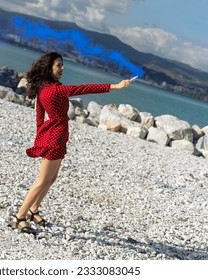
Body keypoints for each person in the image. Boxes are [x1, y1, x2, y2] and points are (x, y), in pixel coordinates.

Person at [9, 52, 132, 235]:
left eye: (62, 65)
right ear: (49, 68)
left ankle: (34, 210)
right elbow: (85, 88)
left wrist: (39, 140)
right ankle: (19, 216)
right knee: (43, 180)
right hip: (55, 136)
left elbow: (39, 118)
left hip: (55, 135)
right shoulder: (56, 90)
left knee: (51, 179)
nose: (62, 68)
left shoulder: (43, 89)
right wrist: (116, 86)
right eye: (58, 65)